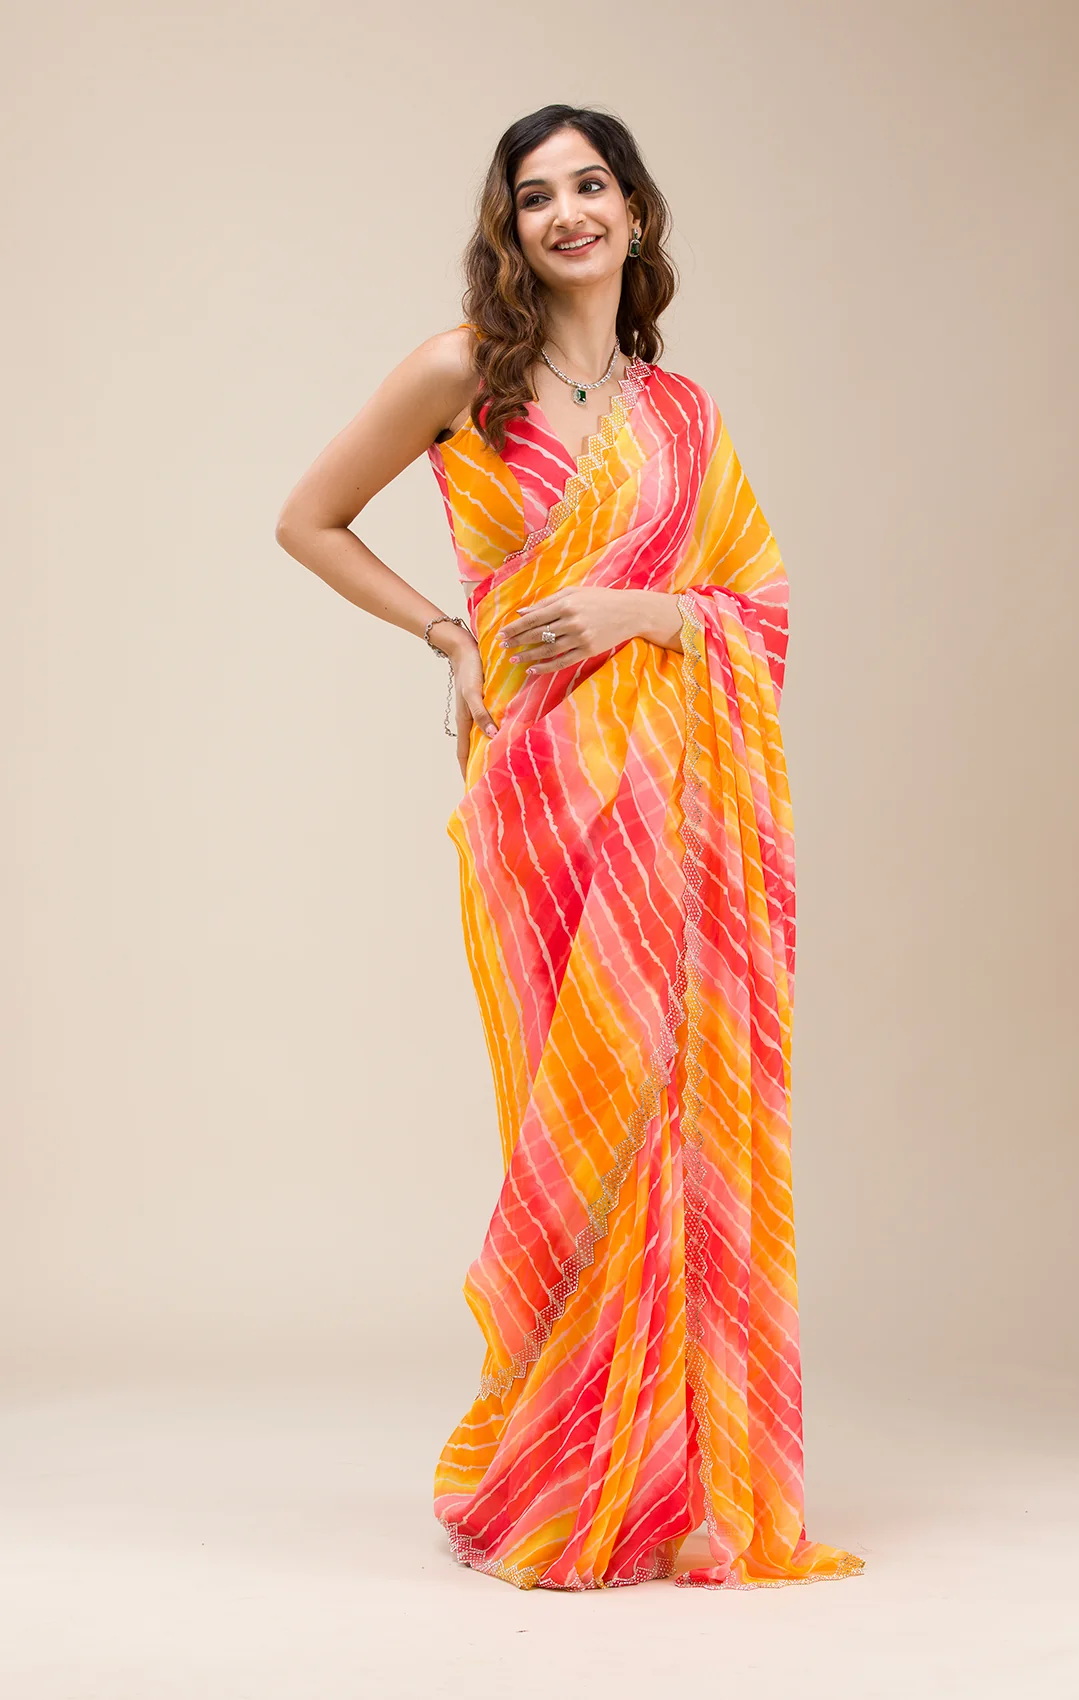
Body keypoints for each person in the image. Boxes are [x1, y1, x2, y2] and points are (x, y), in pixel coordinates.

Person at [275, 103, 864, 1593]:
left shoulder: (686, 417)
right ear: (512, 229)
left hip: (675, 798)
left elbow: (761, 606)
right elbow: (308, 518)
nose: (568, 213)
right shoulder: (460, 373)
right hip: (538, 795)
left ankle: (668, 1480)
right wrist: (447, 635)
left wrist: (645, 613)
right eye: (536, 196)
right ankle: (565, 1459)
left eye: (591, 185)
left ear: (636, 212)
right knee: (579, 1109)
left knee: (672, 1105)